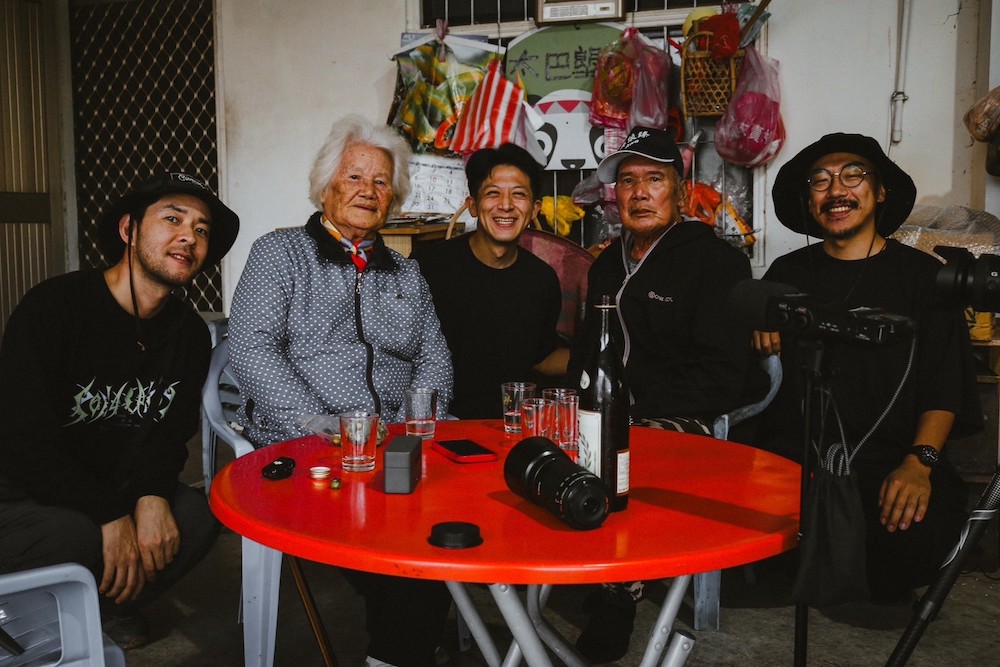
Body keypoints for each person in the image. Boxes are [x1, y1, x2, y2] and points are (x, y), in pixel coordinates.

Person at [227, 114, 453, 667]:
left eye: (381, 182)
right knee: (406, 562)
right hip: (309, 445)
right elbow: (251, 348)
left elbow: (434, 356)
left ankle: (403, 646)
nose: (367, 191)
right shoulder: (279, 254)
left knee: (450, 528)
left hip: (397, 443)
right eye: (354, 177)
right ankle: (401, 650)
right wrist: (318, 424)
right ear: (325, 185)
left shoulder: (405, 273)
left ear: (393, 198)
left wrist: (416, 425)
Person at [0, 172, 240, 649]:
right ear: (129, 229)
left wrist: (151, 496)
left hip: (112, 485)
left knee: (197, 515)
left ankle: (106, 607)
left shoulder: (189, 334)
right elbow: (22, 438)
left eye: (201, 229)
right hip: (22, 494)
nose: (189, 237)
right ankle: (30, 611)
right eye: (173, 219)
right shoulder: (55, 306)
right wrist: (111, 516)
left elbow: (169, 436)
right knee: (76, 534)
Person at [754, 133, 980, 619]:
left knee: (911, 541)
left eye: (852, 175)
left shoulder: (926, 279)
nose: (836, 190)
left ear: (879, 192)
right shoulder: (785, 274)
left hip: (890, 460)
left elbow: (946, 386)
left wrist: (919, 464)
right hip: (799, 461)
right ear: (809, 201)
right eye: (820, 181)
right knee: (751, 544)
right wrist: (758, 313)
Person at [568, 125, 759, 662]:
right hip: (610, 412)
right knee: (545, 440)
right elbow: (585, 356)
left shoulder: (717, 263)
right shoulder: (607, 264)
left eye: (654, 179)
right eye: (628, 182)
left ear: (681, 191)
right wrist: (570, 406)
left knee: (622, 452)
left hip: (682, 417)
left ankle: (616, 599)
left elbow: (721, 376)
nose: (639, 193)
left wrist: (629, 408)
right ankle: (561, 567)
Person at [412, 143, 566, 418]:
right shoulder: (428, 267)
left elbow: (540, 357)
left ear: (534, 209)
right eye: (493, 193)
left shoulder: (542, 279)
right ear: (472, 206)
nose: (506, 206)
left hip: (512, 423)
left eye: (518, 194)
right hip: (441, 422)